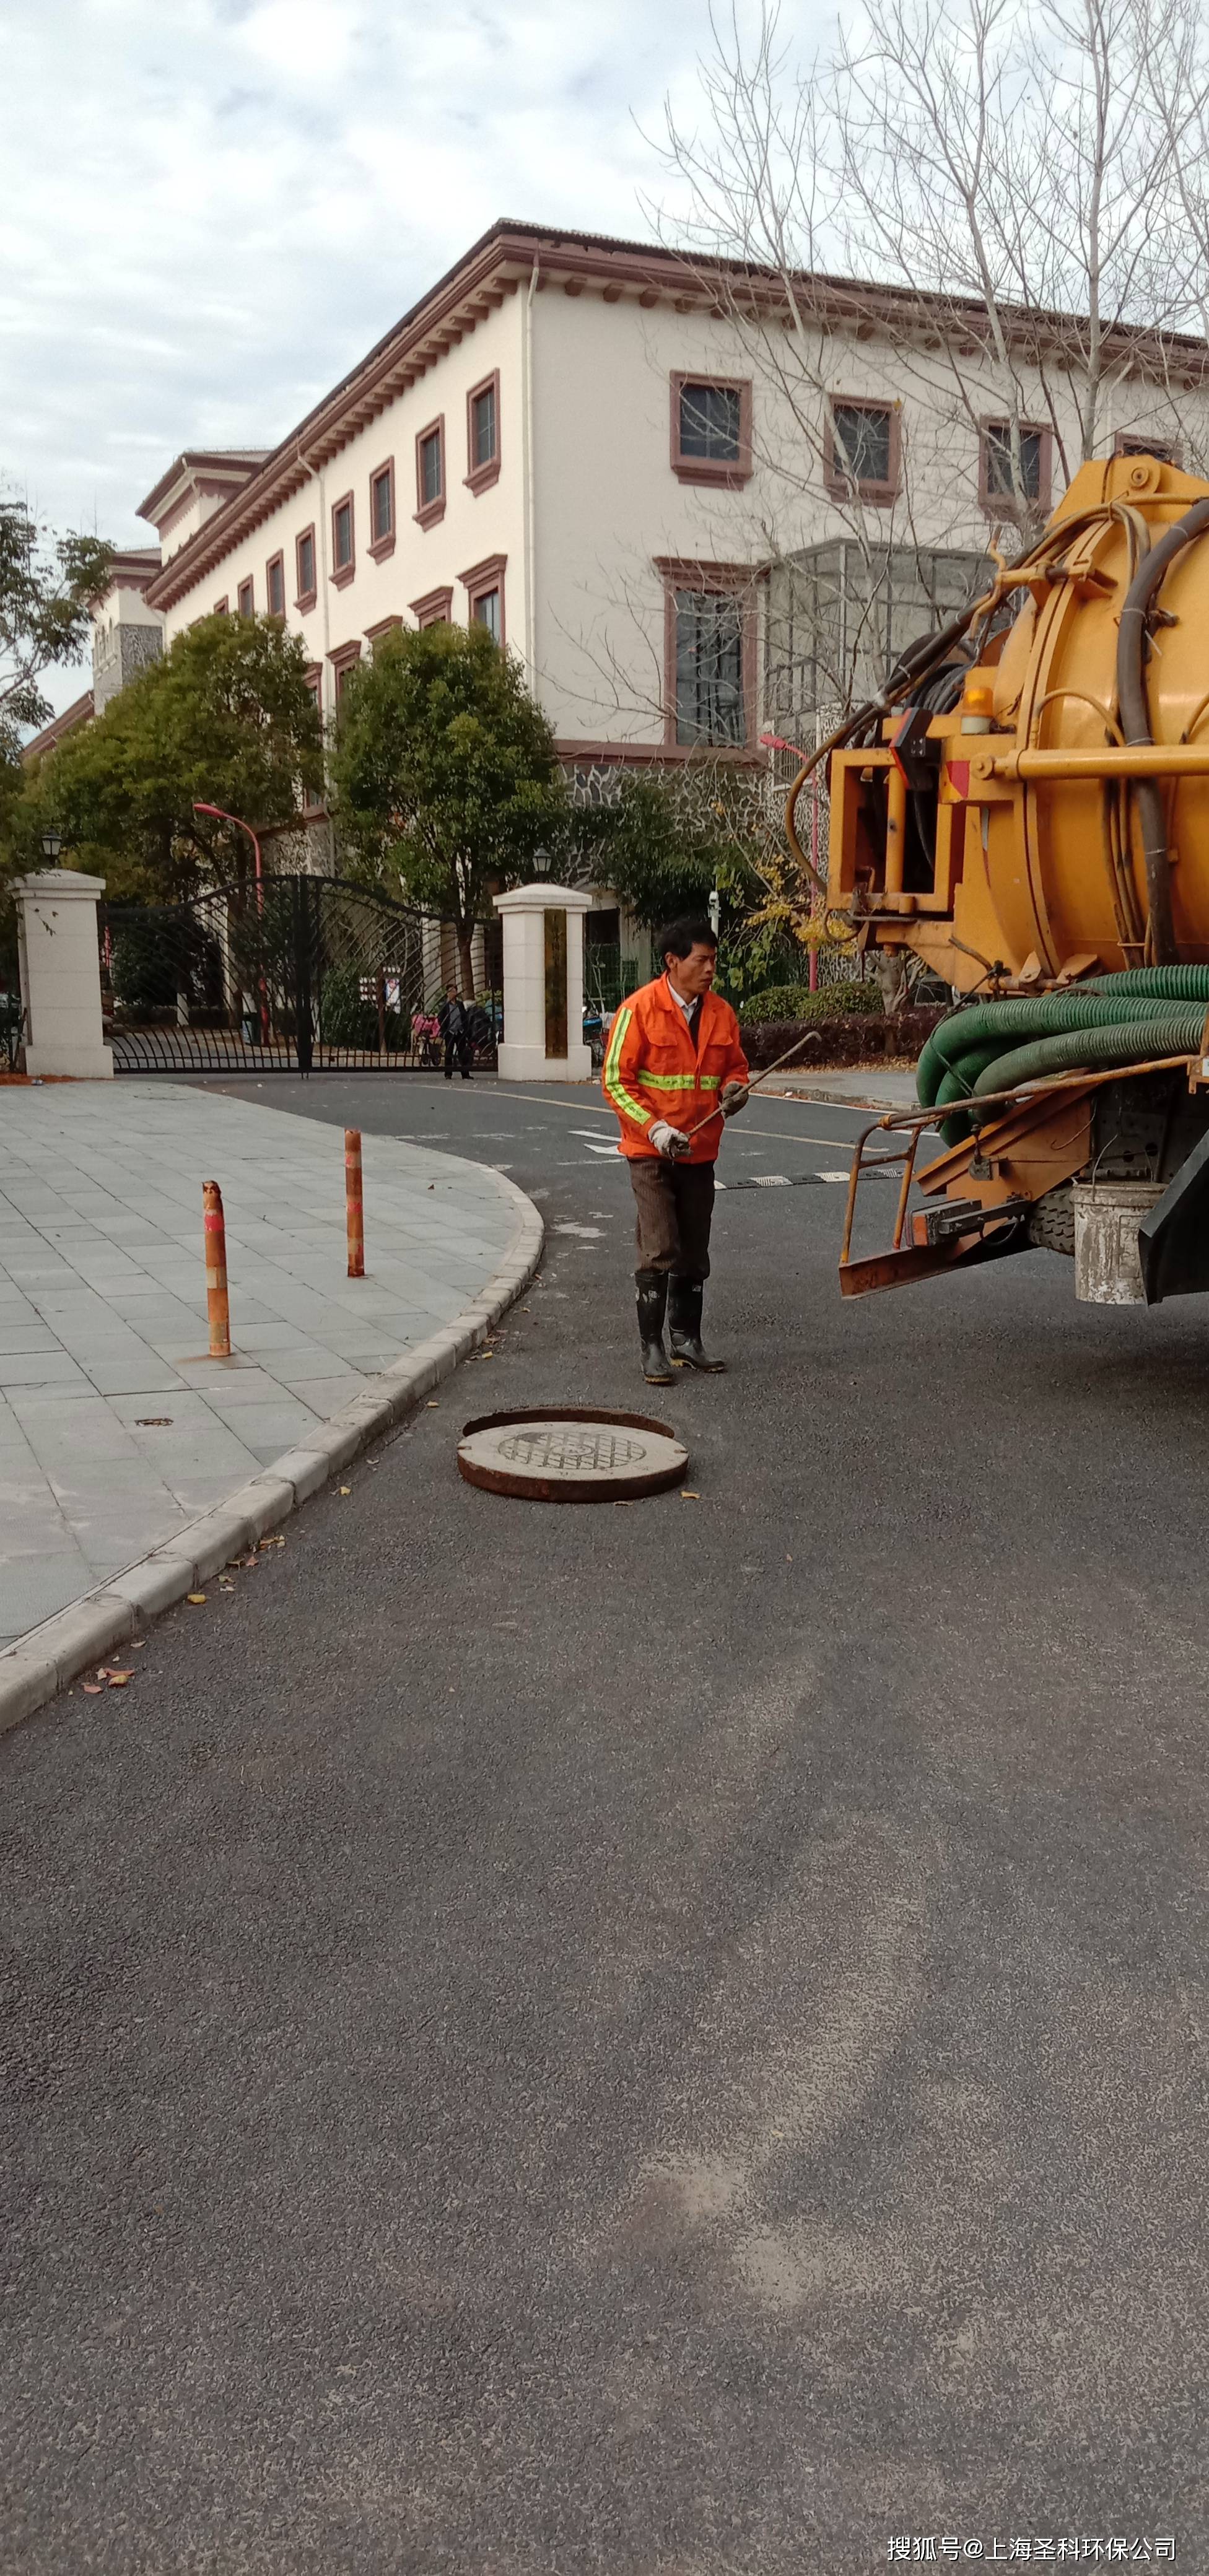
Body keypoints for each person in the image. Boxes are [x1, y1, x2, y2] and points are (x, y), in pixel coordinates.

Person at [602, 916, 749, 1381]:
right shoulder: (638, 1011)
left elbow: (736, 1068)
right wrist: (655, 1129)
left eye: (713, 960)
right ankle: (652, 1348)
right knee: (660, 1244)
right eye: (701, 960)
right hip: (652, 1152)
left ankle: (687, 1340)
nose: (710, 969)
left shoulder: (722, 1014)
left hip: (700, 1151)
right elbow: (615, 1082)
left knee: (694, 1249)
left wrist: (735, 1090)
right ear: (673, 961)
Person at [438, 981, 472, 1081]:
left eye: (454, 991)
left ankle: (465, 1073)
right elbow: (441, 1019)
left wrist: (465, 1029)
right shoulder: (445, 1006)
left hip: (460, 1032)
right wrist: (445, 1030)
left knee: (463, 1053)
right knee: (449, 1053)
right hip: (450, 1032)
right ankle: (448, 1074)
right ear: (447, 993)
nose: (453, 993)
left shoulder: (460, 1004)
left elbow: (464, 1017)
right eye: (451, 991)